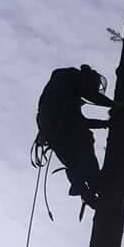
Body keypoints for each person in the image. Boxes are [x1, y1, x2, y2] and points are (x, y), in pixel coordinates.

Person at [36, 64, 118, 209]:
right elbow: (92, 99)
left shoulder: (66, 95)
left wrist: (105, 124)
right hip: (58, 127)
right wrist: (115, 105)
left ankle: (85, 190)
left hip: (51, 131)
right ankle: (93, 183)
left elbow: (81, 122)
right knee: (84, 143)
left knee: (74, 160)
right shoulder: (70, 80)